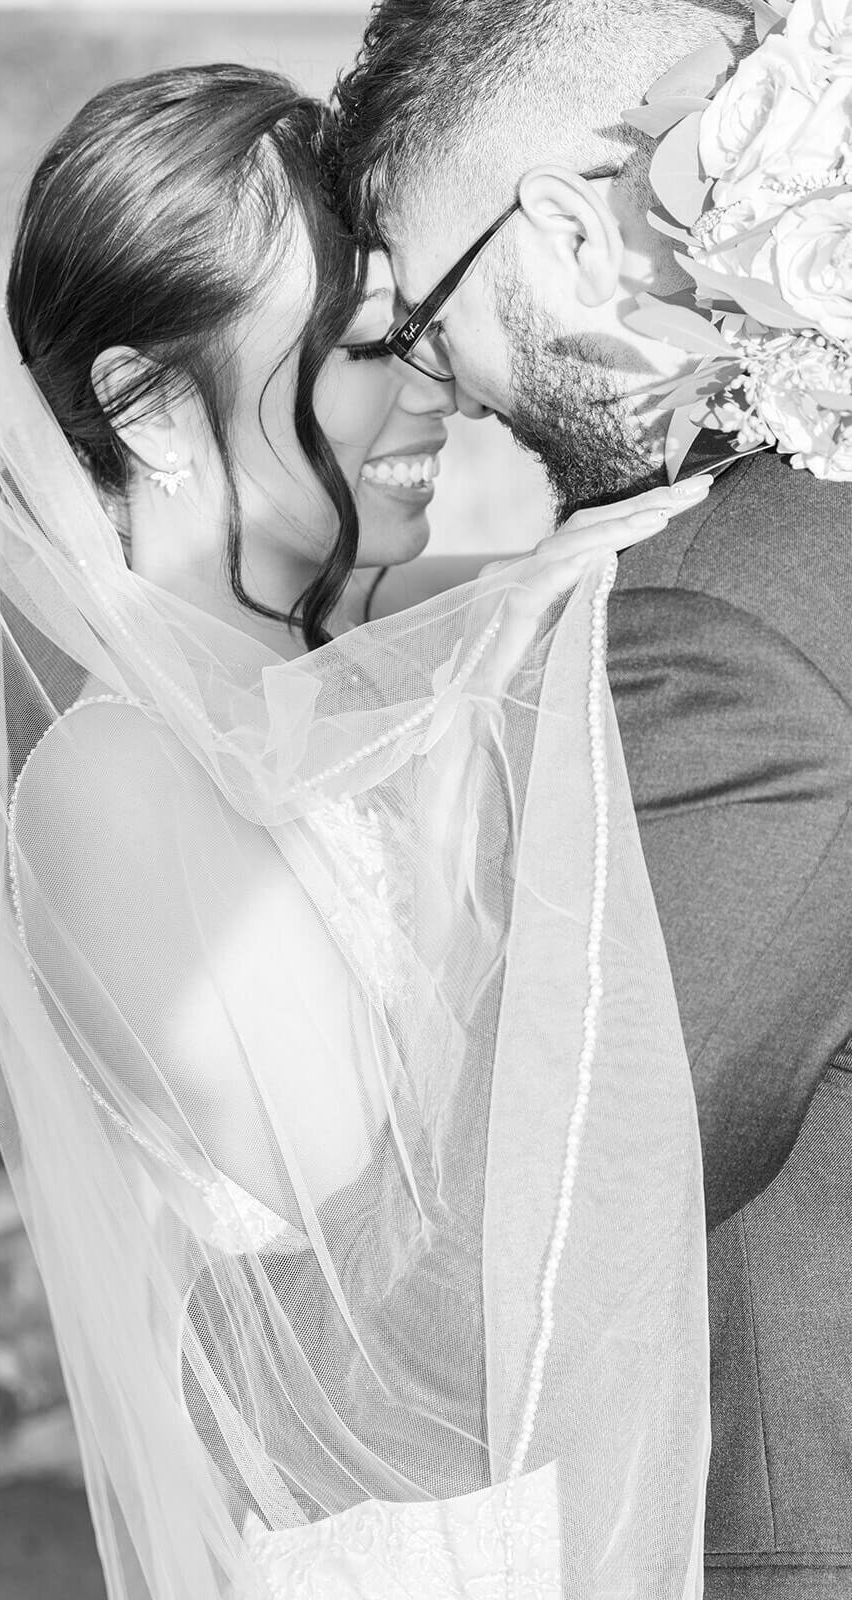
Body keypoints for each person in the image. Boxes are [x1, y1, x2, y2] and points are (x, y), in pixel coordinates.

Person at [0, 60, 713, 1600]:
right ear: (146, 407)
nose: (431, 391)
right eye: (358, 348)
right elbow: (390, 1227)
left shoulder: (342, 712)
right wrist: (536, 656)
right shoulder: (107, 779)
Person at [332, 3, 852, 1596]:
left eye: (430, 320)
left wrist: (203, 1293)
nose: (459, 393)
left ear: (566, 230)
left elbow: (541, 1251)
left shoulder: (727, 625)